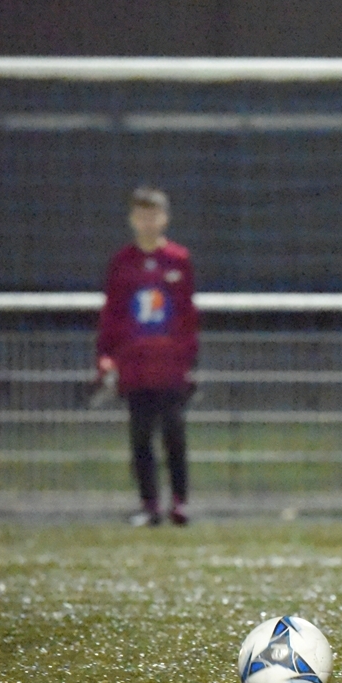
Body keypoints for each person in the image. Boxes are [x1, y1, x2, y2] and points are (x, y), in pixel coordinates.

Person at [97, 187, 198, 526]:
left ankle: (180, 502)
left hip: (169, 366)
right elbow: (112, 313)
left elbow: (187, 315)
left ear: (164, 218)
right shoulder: (122, 262)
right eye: (142, 216)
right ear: (132, 219)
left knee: (174, 433)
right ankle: (149, 505)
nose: (148, 222)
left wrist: (187, 358)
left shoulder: (178, 260)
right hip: (136, 365)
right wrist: (106, 356)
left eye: (153, 215)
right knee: (140, 436)